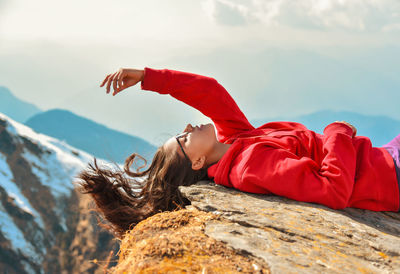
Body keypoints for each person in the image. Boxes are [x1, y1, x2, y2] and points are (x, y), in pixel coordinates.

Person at [77, 67, 400, 238]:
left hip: (382, 159)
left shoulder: (235, 139)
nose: (188, 128)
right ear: (199, 162)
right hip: (389, 177)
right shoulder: (250, 166)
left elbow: (210, 92)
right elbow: (333, 190)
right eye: (184, 140)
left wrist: (149, 77)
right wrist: (337, 133)